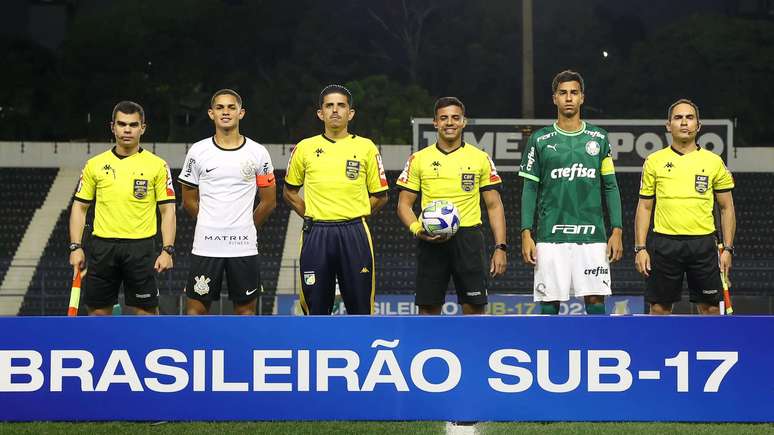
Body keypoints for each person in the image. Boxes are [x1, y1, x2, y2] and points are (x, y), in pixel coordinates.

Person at [519, 70, 623, 315]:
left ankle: (596, 350)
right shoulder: (540, 139)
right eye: (563, 93)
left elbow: (610, 185)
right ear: (554, 98)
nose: (568, 98)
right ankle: (550, 352)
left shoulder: (599, 138)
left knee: (596, 302)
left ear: (582, 98)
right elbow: (530, 188)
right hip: (550, 237)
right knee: (549, 304)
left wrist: (616, 230)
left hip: (592, 236)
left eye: (573, 93)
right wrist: (526, 233)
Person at [283, 84, 389, 315]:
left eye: (341, 105)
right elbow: (289, 192)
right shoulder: (305, 148)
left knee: (360, 307)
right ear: (320, 113)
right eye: (329, 105)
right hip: (316, 232)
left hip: (354, 232)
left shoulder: (366, 147)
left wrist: (354, 211)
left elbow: (381, 196)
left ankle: (361, 349)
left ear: (350, 113)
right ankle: (316, 348)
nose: (335, 110)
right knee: (316, 307)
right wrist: (311, 212)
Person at [396, 97, 507, 315]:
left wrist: (500, 247)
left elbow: (494, 206)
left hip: (468, 239)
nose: (450, 122)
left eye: (455, 118)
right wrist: (418, 230)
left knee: (474, 308)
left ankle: (471, 349)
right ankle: (428, 349)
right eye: (444, 118)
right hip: (430, 238)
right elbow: (403, 205)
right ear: (435, 123)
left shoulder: (480, 158)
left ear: (464, 122)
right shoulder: (418, 159)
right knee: (428, 309)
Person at [69, 100, 176, 315]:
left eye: (133, 124)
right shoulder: (95, 164)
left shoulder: (157, 165)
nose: (127, 129)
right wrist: (75, 246)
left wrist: (167, 250)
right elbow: (79, 207)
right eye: (122, 124)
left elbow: (168, 211)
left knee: (145, 315)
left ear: (142, 128)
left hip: (141, 248)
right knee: (98, 313)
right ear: (113, 127)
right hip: (102, 248)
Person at [178, 89, 277, 315]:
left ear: (241, 113)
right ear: (211, 114)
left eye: (231, 107)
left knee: (246, 314)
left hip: (243, 246)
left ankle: (239, 352)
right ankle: (199, 351)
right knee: (195, 312)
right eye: (220, 108)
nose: (226, 112)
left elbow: (269, 202)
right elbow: (189, 199)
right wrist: (208, 223)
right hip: (206, 245)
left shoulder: (258, 153)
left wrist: (247, 227)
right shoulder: (198, 151)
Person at [634, 98, 736, 315]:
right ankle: (659, 350)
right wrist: (640, 248)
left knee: (710, 310)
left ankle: (709, 350)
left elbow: (727, 208)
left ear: (698, 126)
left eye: (689, 118)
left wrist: (727, 249)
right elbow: (644, 207)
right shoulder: (654, 161)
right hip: (664, 244)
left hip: (703, 245)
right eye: (678, 118)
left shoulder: (714, 161)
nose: (684, 122)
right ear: (668, 125)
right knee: (659, 309)